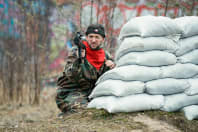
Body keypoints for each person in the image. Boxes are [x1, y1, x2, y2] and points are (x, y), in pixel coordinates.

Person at [55, 24, 115, 116]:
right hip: (71, 91)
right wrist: (79, 61)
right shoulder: (78, 51)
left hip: (91, 93)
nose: (93, 40)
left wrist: (111, 66)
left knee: (105, 110)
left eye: (97, 37)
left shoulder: (105, 55)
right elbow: (71, 75)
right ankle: (64, 118)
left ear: (103, 39)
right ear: (86, 37)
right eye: (90, 37)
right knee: (84, 113)